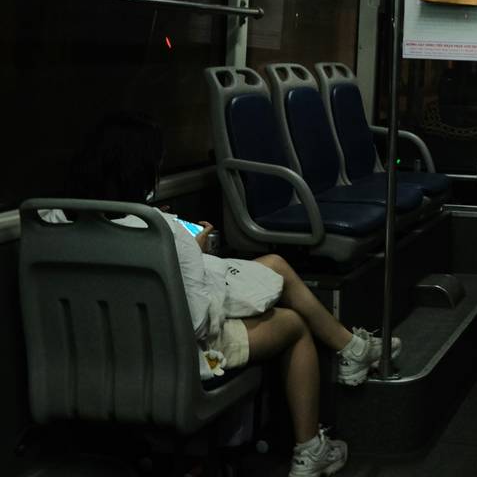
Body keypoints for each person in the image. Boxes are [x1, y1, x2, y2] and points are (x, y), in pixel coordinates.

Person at [61, 113, 398, 477]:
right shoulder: (168, 234)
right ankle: (309, 450)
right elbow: (197, 323)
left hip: (94, 353)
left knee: (274, 265)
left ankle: (352, 348)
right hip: (174, 356)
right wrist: (193, 253)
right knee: (293, 324)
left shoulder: (58, 223)